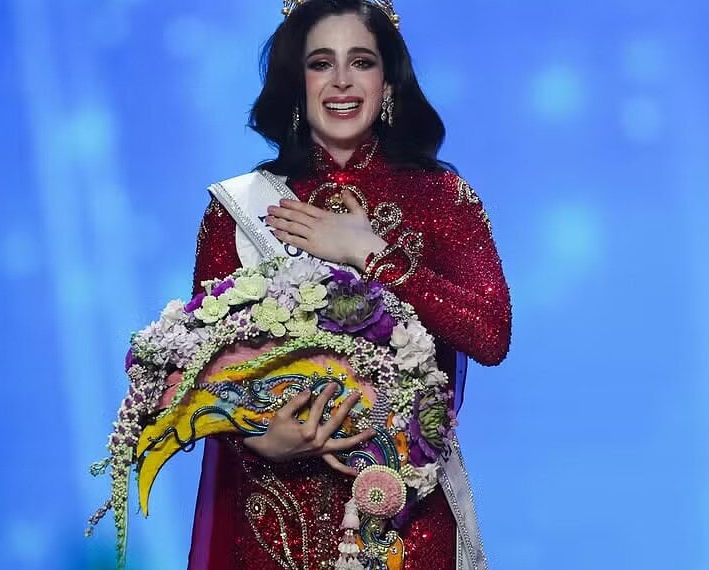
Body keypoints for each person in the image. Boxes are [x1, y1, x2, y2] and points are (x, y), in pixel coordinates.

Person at [186, 1, 511, 568]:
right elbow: (201, 364)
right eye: (320, 63)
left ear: (387, 80)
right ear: (296, 81)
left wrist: (369, 252)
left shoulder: (442, 198)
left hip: (403, 514)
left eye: (360, 61)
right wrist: (259, 437)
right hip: (276, 514)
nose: (341, 81)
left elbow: (491, 333)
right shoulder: (239, 212)